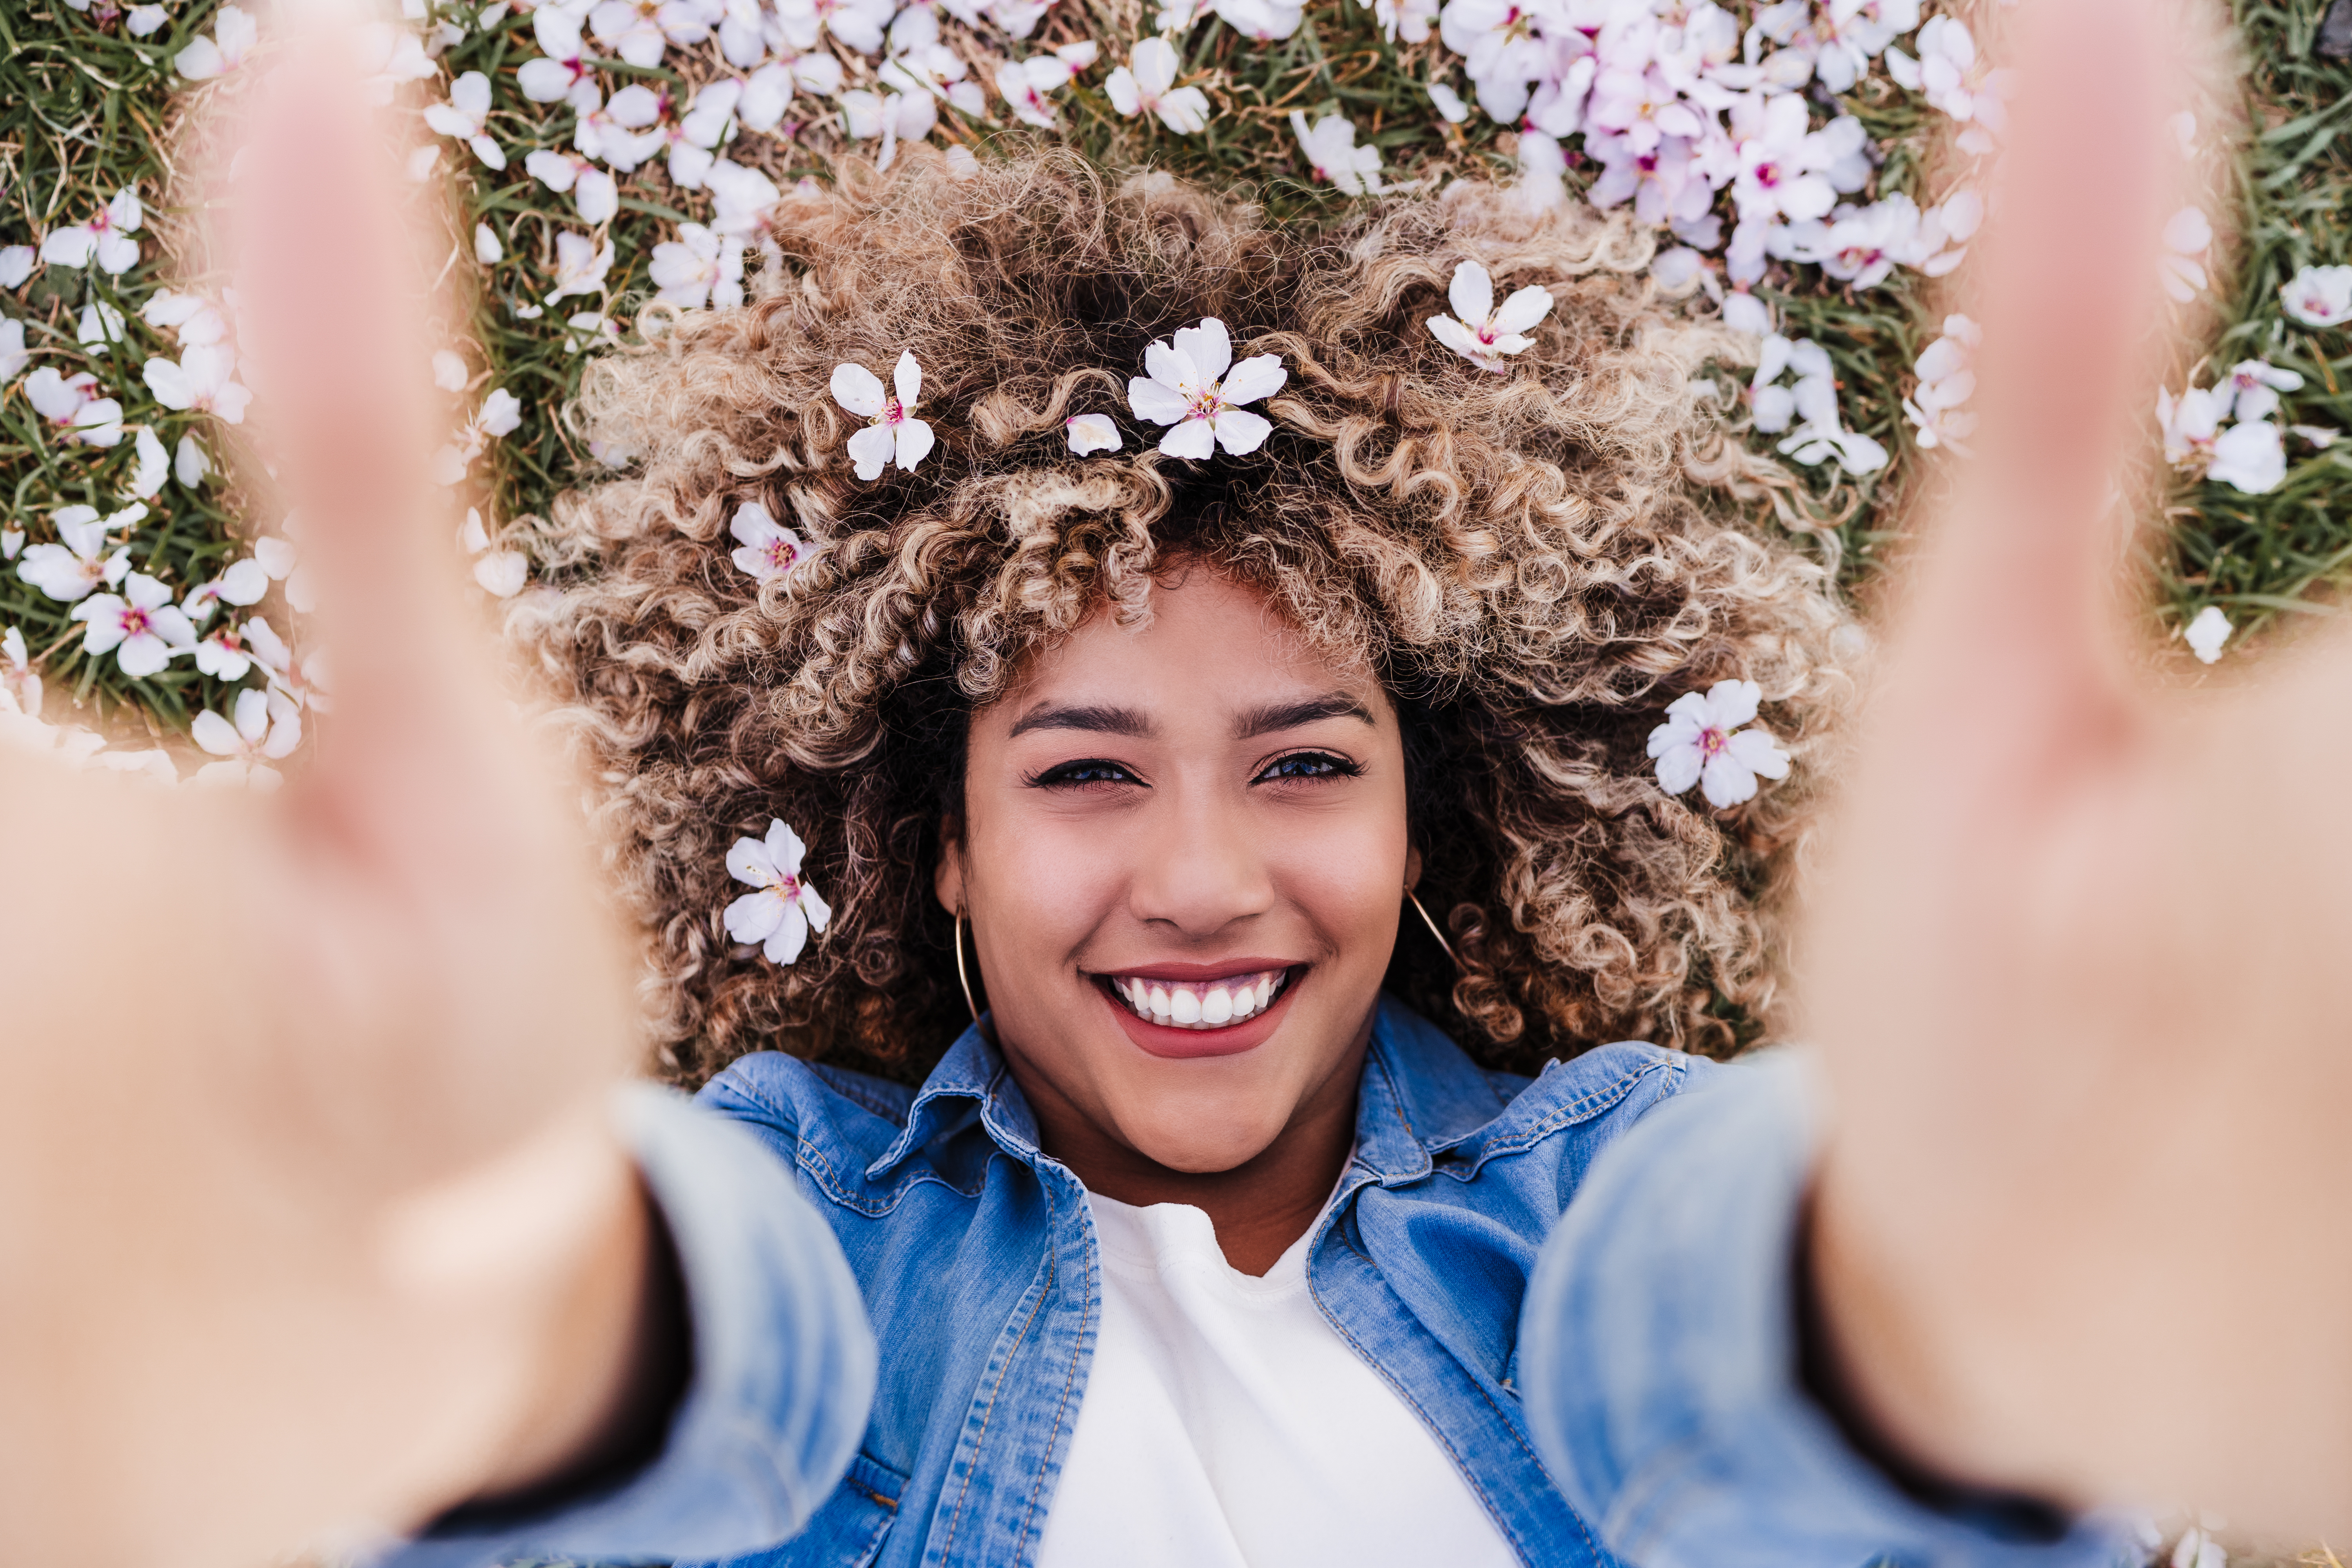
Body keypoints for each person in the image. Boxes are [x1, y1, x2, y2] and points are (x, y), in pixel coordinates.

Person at [6, 3, 2348, 1565]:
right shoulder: (813, 1219)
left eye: (1306, 763)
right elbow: (695, 1358)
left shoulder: (1599, 1191)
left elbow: (1729, 1328)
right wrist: (494, 1305)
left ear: (1433, 810)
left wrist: (1918, 1310)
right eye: (1087, 772)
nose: (1205, 879)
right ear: (937, 835)